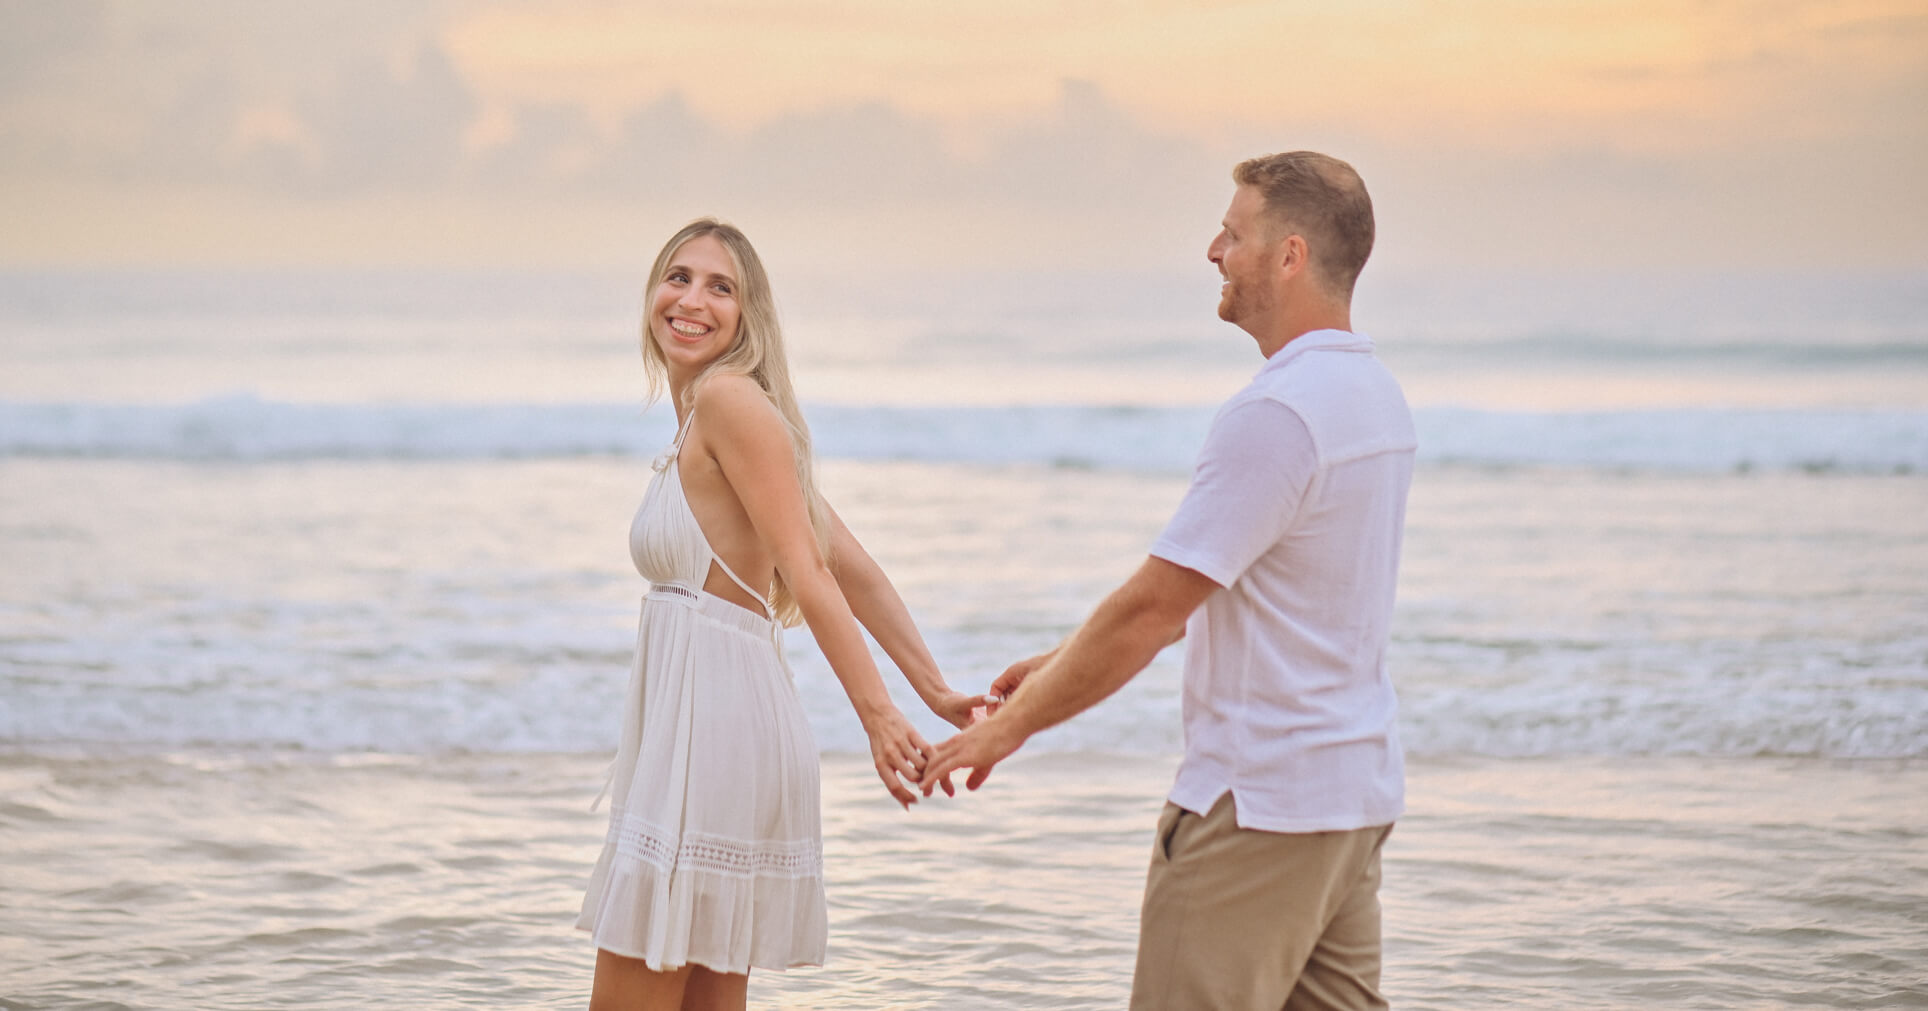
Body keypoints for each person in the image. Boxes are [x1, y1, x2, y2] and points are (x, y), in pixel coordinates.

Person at [924, 152, 1417, 1011]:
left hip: (1256, 808)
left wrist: (1010, 731)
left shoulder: (1276, 413)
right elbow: (1242, 588)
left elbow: (1154, 611)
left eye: (1234, 233)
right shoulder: (1373, 396)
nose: (1213, 250)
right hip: (1346, 801)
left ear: (1290, 255)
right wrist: (1062, 658)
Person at [579, 217, 983, 1011]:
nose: (691, 299)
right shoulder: (713, 415)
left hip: (714, 733)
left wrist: (879, 712)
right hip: (711, 730)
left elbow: (810, 570)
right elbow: (848, 559)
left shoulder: (730, 402)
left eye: (719, 286)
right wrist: (932, 687)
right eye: (678, 277)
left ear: (748, 316)